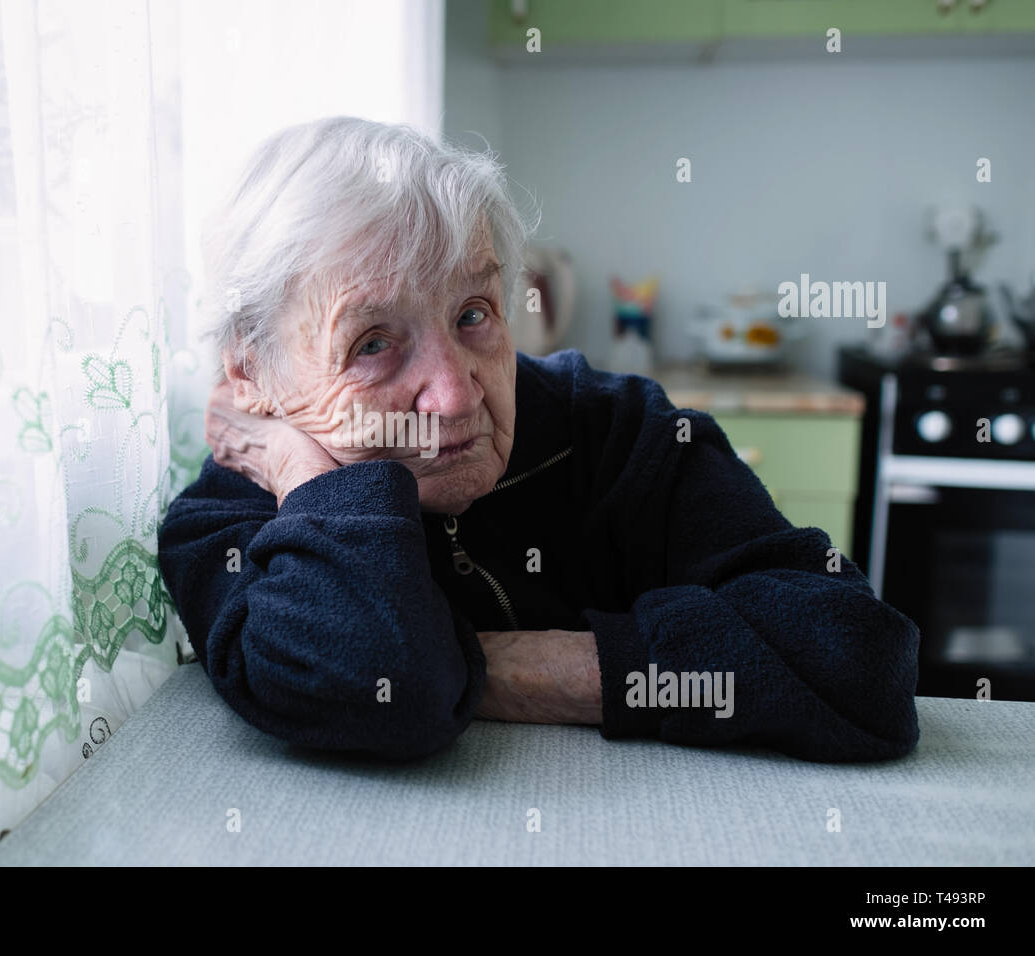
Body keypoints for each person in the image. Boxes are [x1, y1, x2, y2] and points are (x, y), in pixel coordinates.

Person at [157, 116, 920, 762]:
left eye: (472, 314)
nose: (456, 395)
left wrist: (495, 667)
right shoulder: (228, 522)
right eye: (372, 344)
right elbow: (384, 689)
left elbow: (863, 662)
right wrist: (309, 479)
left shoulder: (619, 428)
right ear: (250, 373)